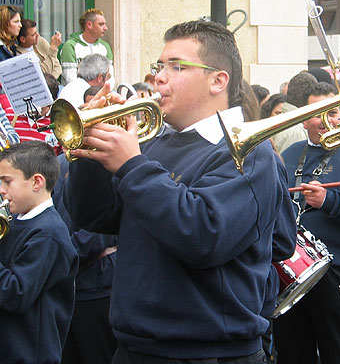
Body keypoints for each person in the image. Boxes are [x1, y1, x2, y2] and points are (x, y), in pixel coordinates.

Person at [61, 19, 295, 363]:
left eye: (177, 66)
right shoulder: (155, 143)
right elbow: (93, 215)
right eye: (159, 66)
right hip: (135, 347)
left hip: (208, 353)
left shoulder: (248, 151)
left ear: (218, 80)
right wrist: (90, 153)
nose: (159, 76)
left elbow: (204, 233)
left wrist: (131, 165)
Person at [273, 81, 340, 364]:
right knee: (292, 352)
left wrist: (328, 201)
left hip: (338, 273)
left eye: (334, 113)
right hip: (292, 273)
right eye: (321, 112)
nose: (329, 120)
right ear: (304, 117)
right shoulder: (289, 154)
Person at [0, 141, 78, 364]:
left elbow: (16, 294)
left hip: (29, 353)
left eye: (7, 181)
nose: (1, 190)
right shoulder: (16, 221)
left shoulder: (48, 233)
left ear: (36, 182)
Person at [54, 154, 118, 364]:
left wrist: (54, 256)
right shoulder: (60, 162)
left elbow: (100, 231)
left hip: (97, 284)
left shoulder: (111, 159)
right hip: (65, 286)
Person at [59, 8, 114, 85]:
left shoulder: (105, 47)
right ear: (89, 25)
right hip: (77, 93)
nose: (106, 28)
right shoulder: (70, 46)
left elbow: (110, 78)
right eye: (101, 24)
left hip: (102, 92)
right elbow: (70, 79)